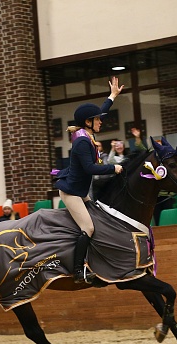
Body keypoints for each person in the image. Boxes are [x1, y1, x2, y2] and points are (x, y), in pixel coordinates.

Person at [55, 77, 124, 284]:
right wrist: (114, 167)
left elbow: (100, 111)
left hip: (80, 189)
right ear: (88, 122)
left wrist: (112, 96)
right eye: (97, 120)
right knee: (89, 228)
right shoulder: (83, 142)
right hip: (72, 193)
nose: (101, 121)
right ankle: (78, 271)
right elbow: (90, 168)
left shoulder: (85, 133)